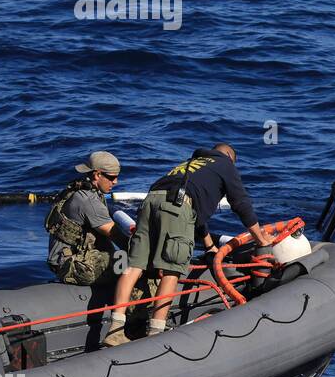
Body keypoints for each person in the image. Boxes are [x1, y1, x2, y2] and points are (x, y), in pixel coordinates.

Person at [105, 143, 269, 346]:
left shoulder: (192, 164)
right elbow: (241, 204)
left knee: (134, 266)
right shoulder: (226, 164)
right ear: (229, 156)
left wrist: (209, 247)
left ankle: (115, 329)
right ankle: (155, 333)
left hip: (151, 200)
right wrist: (261, 239)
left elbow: (195, 218)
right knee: (171, 270)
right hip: (178, 206)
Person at [44, 151, 126, 286]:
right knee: (128, 263)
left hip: (61, 259)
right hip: (70, 265)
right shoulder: (88, 201)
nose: (115, 182)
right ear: (97, 174)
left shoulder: (77, 188)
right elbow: (115, 235)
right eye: (112, 178)